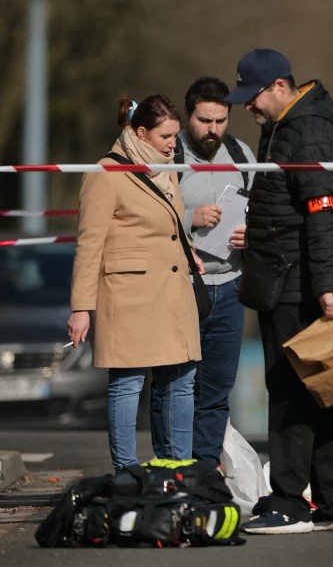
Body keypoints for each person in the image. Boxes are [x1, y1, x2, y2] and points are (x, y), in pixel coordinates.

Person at [224, 49, 333, 534]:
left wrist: (326, 286)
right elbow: (289, 208)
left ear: (279, 86)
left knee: (290, 392)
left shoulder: (307, 130)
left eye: (252, 97)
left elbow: (324, 211)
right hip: (285, 273)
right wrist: (256, 232)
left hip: (297, 284)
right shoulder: (286, 126)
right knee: (316, 391)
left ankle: (290, 503)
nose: (248, 108)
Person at [67, 94, 201, 472]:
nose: (174, 143)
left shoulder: (168, 168)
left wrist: (190, 252)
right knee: (128, 382)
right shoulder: (105, 172)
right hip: (128, 296)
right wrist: (82, 308)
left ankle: (178, 469)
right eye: (167, 136)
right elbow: (89, 243)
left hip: (174, 293)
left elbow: (170, 225)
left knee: (181, 380)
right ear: (141, 133)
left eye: (176, 135)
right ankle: (126, 472)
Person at [172, 76, 256, 464]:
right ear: (189, 115)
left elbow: (264, 210)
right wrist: (191, 218)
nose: (213, 130)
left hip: (231, 285)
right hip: (182, 285)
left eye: (221, 121)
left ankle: (205, 470)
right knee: (175, 385)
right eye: (205, 121)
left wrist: (249, 235)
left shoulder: (242, 155)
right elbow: (145, 217)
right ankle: (172, 465)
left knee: (218, 388)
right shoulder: (169, 155)